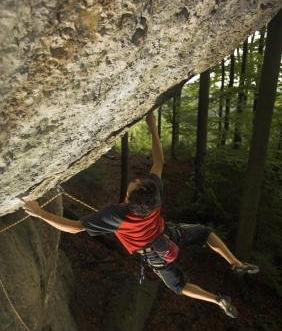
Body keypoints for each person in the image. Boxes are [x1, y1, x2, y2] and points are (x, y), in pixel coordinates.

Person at [22, 112, 259, 318]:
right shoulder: (153, 195)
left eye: (133, 184)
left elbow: (75, 227)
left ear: (128, 199)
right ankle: (235, 264)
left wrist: (39, 213)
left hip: (157, 251)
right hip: (166, 235)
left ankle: (217, 299)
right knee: (205, 235)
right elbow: (159, 162)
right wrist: (152, 126)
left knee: (179, 285)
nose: (136, 179)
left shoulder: (117, 215)